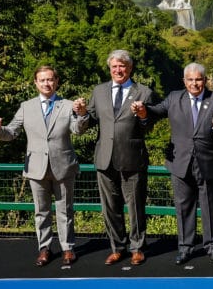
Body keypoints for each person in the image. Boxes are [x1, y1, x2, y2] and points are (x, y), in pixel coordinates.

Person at [0, 66, 88, 267]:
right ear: (36, 83)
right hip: (36, 167)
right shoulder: (26, 106)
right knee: (41, 211)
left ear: (57, 81)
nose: (46, 83)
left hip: (63, 166)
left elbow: (77, 130)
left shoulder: (67, 105)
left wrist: (82, 114)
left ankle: (68, 248)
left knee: (65, 210)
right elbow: (11, 132)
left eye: (50, 80)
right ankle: (44, 248)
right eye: (42, 80)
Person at [133, 62, 213, 265]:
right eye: (191, 80)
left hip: (209, 162)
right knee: (183, 207)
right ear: (184, 81)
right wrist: (143, 111)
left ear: (205, 80)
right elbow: (155, 112)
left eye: (198, 79)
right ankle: (185, 248)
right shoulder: (173, 98)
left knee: (211, 207)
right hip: (180, 162)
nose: (195, 83)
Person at [79, 49, 154, 266]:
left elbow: (148, 126)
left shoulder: (144, 92)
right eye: (114, 66)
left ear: (130, 68)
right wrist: (82, 112)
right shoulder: (99, 91)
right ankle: (117, 247)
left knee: (135, 207)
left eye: (122, 66)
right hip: (104, 158)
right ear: (109, 69)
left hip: (132, 157)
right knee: (110, 207)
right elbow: (89, 121)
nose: (118, 70)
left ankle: (138, 247)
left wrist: (143, 115)